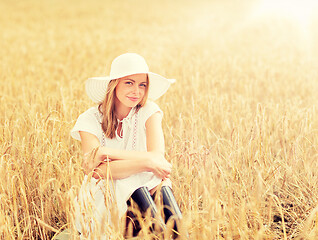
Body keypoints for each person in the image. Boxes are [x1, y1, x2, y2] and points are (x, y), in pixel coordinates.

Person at [70, 53, 183, 239]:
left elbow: (158, 159)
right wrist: (147, 161)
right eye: (129, 83)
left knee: (174, 222)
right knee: (136, 191)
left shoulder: (149, 111)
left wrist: (106, 154)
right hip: (105, 193)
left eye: (142, 85)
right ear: (114, 84)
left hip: (147, 183)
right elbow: (96, 172)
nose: (136, 91)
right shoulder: (89, 119)